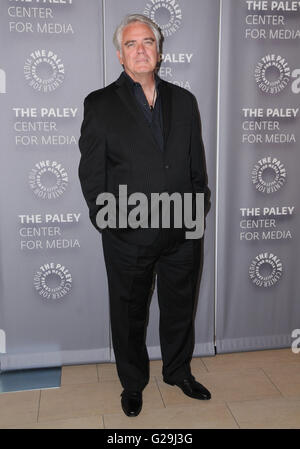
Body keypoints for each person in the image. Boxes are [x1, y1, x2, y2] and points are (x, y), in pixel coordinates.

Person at [78, 14, 211, 417]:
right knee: (129, 315)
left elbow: (195, 166)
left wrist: (196, 211)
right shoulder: (99, 104)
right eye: (132, 44)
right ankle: (133, 384)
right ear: (120, 55)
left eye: (148, 42)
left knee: (179, 308)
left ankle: (178, 371)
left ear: (158, 50)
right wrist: (113, 224)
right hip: (127, 234)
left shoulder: (184, 100)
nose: (141, 50)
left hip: (181, 233)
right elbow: (92, 175)